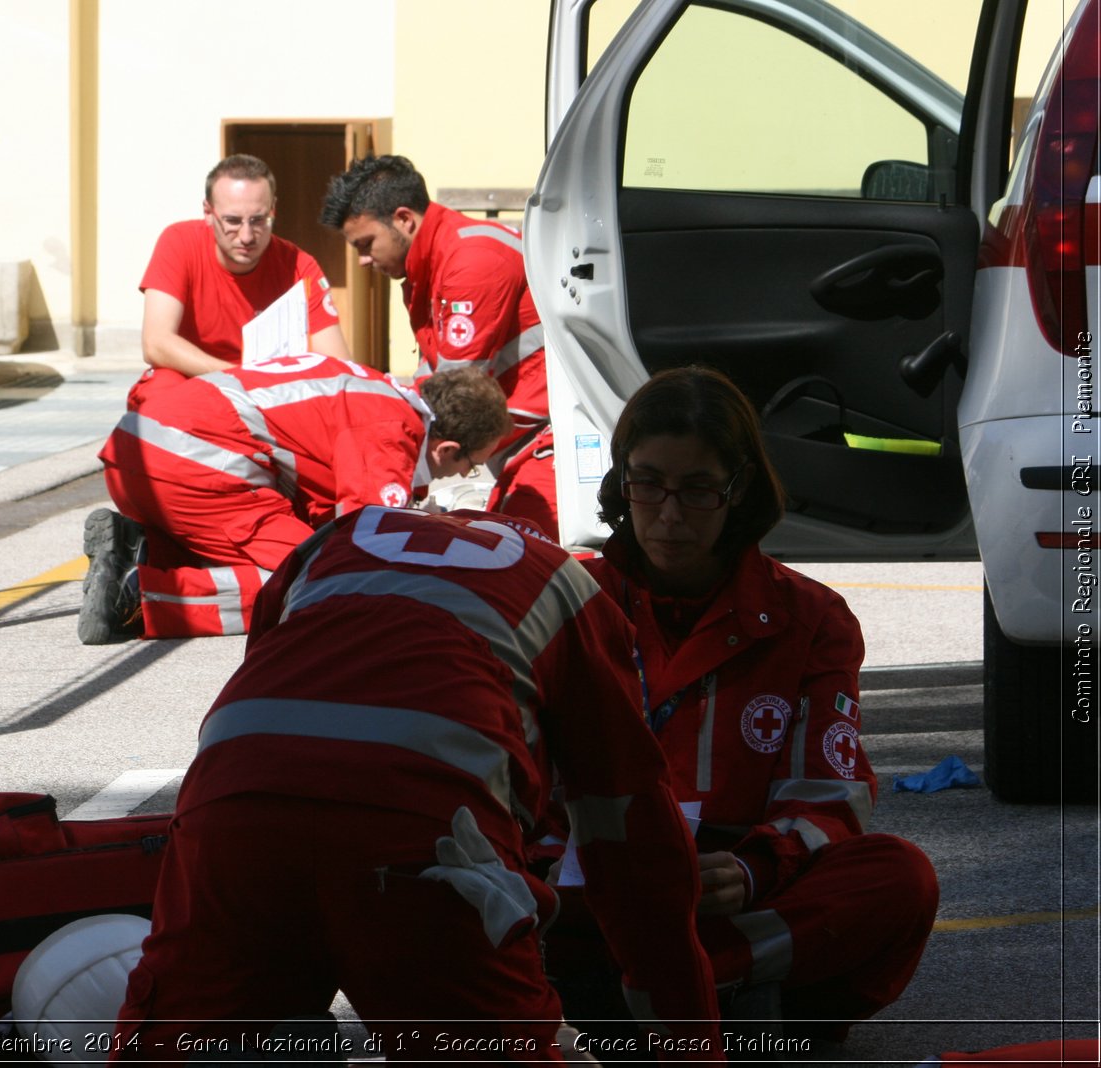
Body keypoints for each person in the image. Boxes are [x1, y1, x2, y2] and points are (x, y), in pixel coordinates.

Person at [110, 504, 722, 1061]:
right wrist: (690, 1040)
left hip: (234, 812)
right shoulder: (572, 589)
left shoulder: (339, 535)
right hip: (423, 835)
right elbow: (632, 841)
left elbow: (280, 700)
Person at [560, 365, 939, 1041]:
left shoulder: (811, 618)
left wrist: (752, 870)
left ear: (740, 492)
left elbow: (828, 790)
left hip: (731, 892)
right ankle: (703, 998)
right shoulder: (566, 601)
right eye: (648, 484)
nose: (670, 515)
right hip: (592, 885)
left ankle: (675, 988)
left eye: (699, 490)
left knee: (899, 878)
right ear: (621, 484)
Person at [79, 358, 511, 644]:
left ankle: (144, 549)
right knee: (319, 582)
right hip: (190, 464)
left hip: (139, 453)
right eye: (471, 465)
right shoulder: (388, 428)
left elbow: (324, 511)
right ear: (447, 449)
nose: (461, 475)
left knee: (291, 541)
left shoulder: (377, 392)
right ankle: (139, 598)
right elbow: (367, 547)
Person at [319, 154, 557, 533]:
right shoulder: (425, 267)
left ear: (403, 219)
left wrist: (388, 452)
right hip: (511, 440)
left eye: (366, 244)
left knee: (516, 550)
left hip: (542, 437)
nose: (363, 260)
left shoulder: (472, 261)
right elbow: (430, 376)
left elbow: (452, 395)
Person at [132, 154, 350, 411]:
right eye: (233, 221)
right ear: (208, 213)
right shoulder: (178, 242)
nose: (246, 236)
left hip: (272, 396)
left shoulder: (300, 267)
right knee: (157, 394)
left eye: (258, 220)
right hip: (197, 382)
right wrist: (239, 378)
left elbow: (338, 366)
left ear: (273, 210)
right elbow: (156, 343)